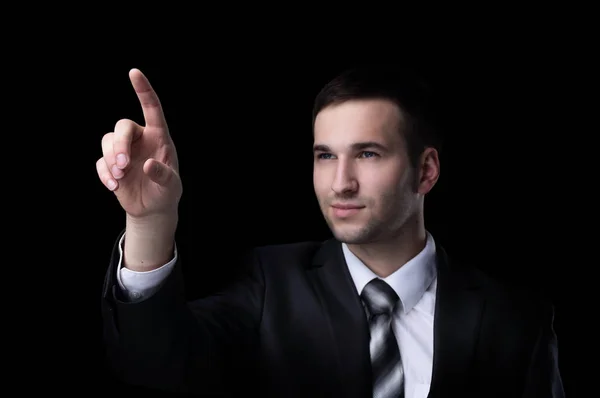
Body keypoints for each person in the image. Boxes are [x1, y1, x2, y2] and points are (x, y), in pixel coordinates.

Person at [98, 66, 565, 397]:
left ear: (426, 171)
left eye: (368, 154)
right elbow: (152, 363)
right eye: (325, 155)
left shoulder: (514, 320)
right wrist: (150, 222)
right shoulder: (270, 283)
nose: (340, 182)